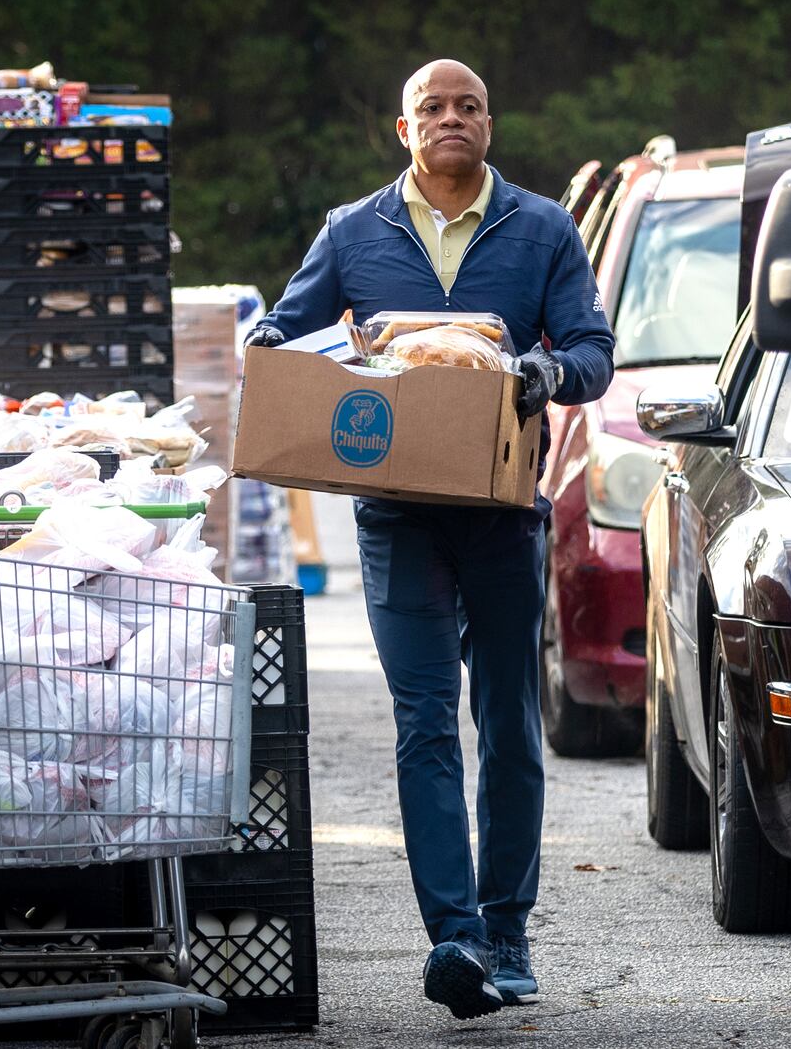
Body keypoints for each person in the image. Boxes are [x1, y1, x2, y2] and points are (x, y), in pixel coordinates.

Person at [246, 59, 615, 1020]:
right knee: (423, 724)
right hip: (398, 516)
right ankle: (453, 935)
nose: (452, 118)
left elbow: (592, 353)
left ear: (490, 123)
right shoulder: (352, 232)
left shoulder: (540, 228)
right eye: (432, 108)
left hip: (501, 514)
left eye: (468, 106)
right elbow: (284, 337)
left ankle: (508, 926)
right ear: (404, 131)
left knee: (508, 725)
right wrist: (303, 363)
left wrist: (541, 369)